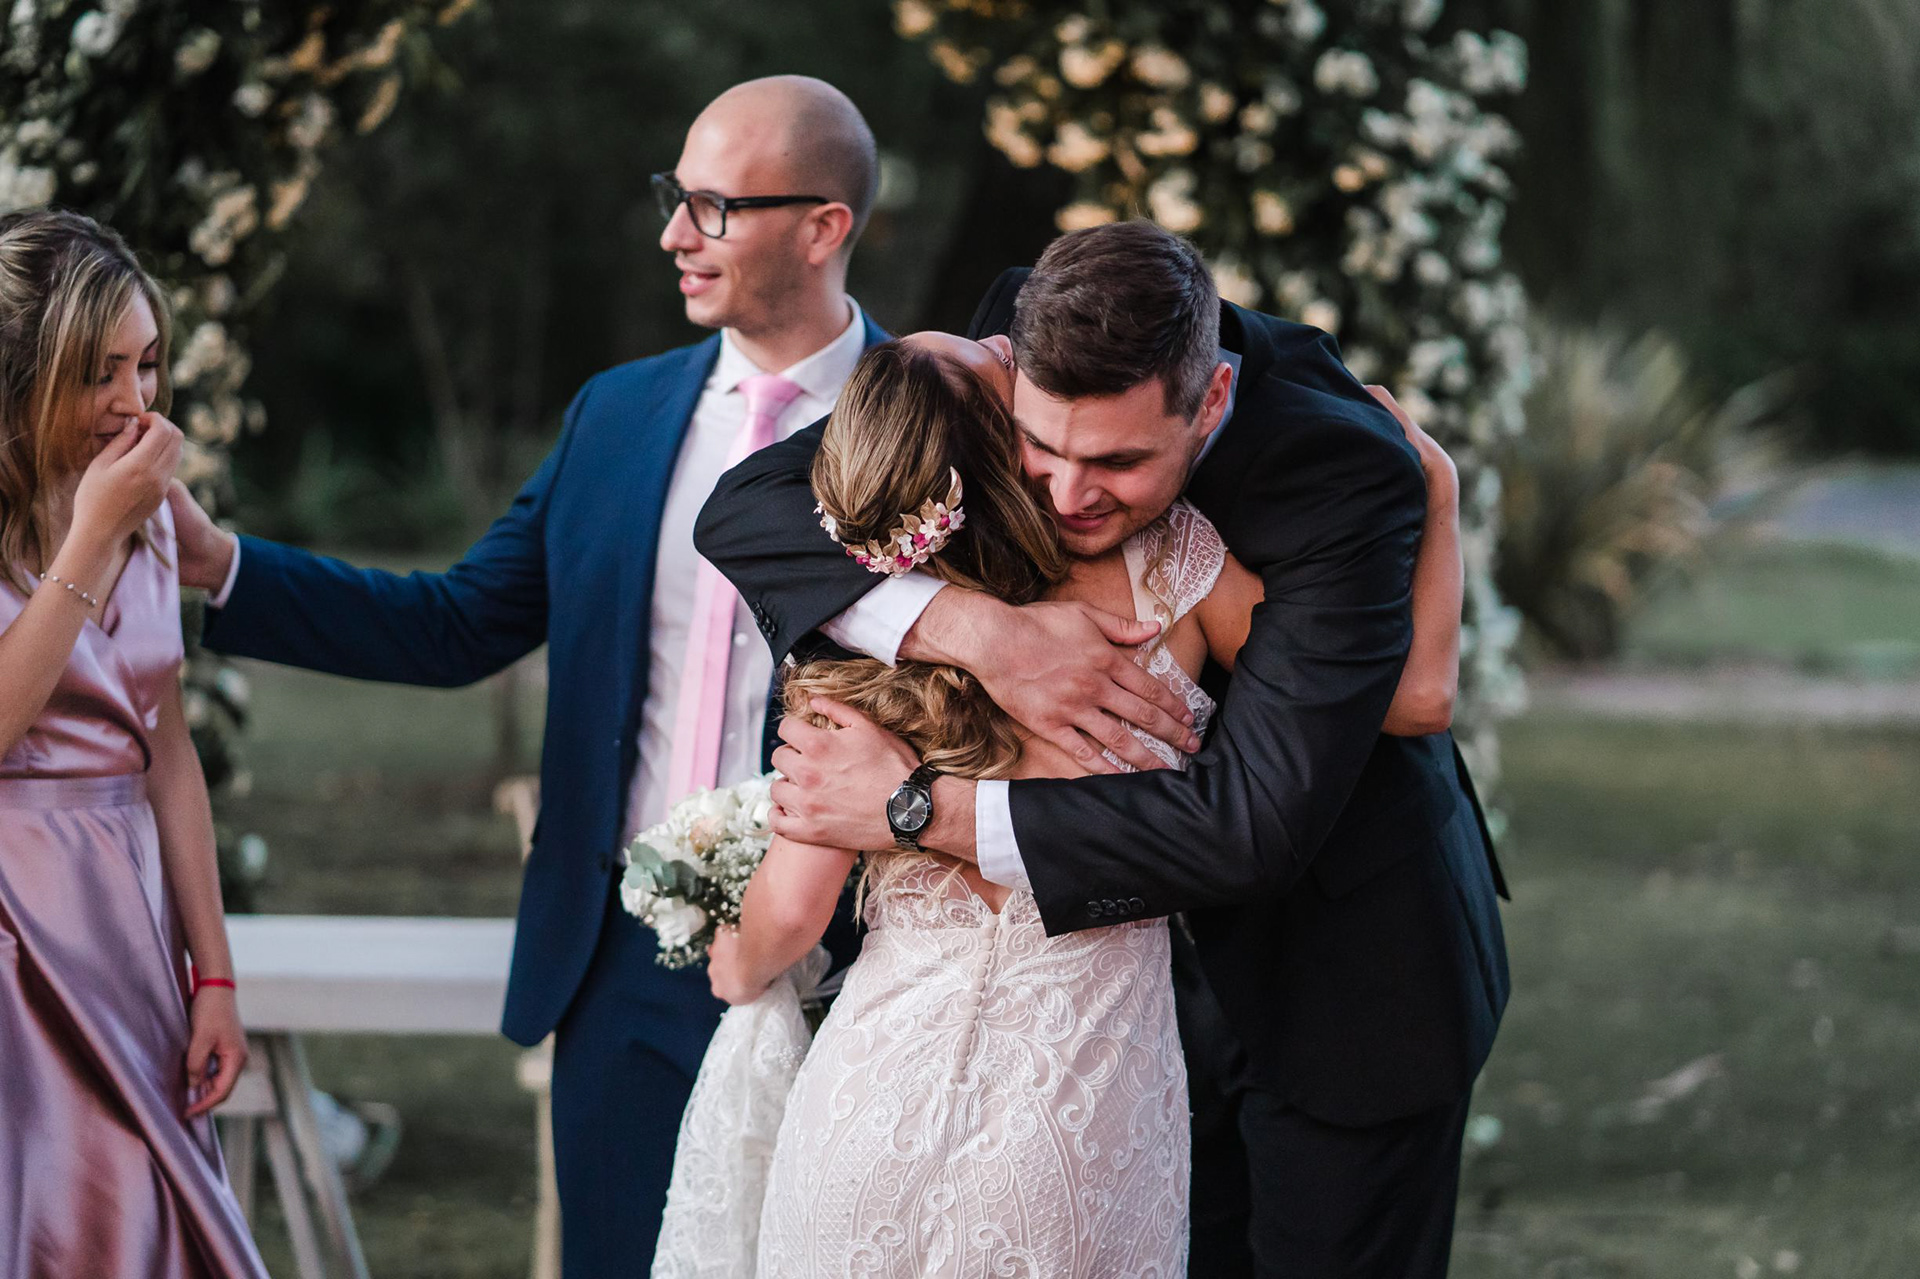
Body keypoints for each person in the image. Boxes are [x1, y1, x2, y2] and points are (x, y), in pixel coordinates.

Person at [164, 77, 897, 1274]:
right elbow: (458, 623)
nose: (674, 234)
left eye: (714, 207)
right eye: (674, 198)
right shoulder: (618, 415)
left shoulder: (930, 424)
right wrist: (222, 565)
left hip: (853, 963)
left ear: (823, 227)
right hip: (618, 965)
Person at [695, 221, 1510, 1277]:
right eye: (1042, 447)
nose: (1069, 495)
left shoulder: (1338, 464)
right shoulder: (1007, 344)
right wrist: (978, 630)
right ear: (1009, 369)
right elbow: (750, 505)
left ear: (1210, 402)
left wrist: (918, 809)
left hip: (1336, 974)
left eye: (1120, 460)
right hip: (1096, 1029)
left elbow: (1260, 819)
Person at [0, 208, 268, 1278]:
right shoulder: (110, 512)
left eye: (147, 363)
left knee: (153, 1226)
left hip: (129, 925)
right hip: (18, 929)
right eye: (98, 373)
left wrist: (215, 977)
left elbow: (168, 750)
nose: (136, 401)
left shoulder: (149, 509)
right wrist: (91, 537)